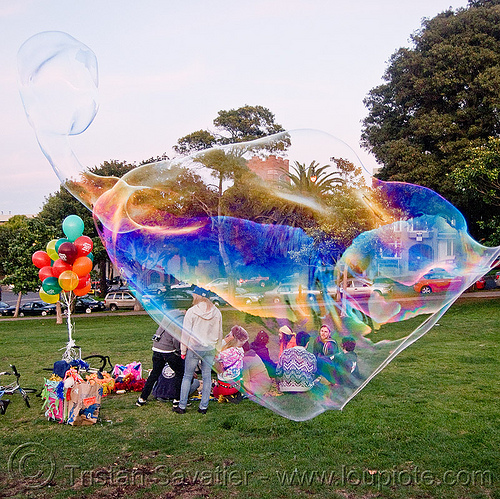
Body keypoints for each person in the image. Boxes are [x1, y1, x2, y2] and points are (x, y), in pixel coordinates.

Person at [173, 286, 223, 415]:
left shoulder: (192, 311)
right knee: (207, 377)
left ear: (197, 296)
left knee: (187, 376)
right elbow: (220, 331)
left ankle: (182, 406)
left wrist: (183, 350)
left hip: (194, 348)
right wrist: (218, 349)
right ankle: (203, 407)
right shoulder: (216, 312)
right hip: (210, 348)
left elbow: (185, 333)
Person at [136, 310, 185, 407]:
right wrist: (179, 350)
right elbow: (175, 339)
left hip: (157, 348)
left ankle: (142, 398)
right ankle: (177, 399)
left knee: (154, 374)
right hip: (168, 351)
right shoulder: (180, 319)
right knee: (180, 373)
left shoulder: (168, 315)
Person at [212, 325, 249, 402]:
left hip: (225, 387)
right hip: (237, 385)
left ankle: (225, 396)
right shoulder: (241, 350)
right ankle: (235, 394)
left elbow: (213, 354)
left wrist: (225, 340)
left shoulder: (227, 352)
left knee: (215, 391)